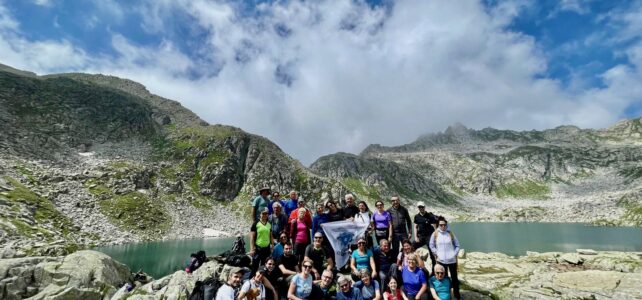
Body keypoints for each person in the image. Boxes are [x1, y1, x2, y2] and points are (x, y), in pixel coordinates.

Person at [429, 216, 460, 300]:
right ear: (438, 225)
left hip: (452, 260)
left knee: (454, 278)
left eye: (444, 225)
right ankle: (444, 296)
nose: (443, 226)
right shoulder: (435, 233)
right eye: (441, 225)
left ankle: (456, 296)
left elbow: (457, 245)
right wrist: (436, 253)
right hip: (441, 261)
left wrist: (454, 254)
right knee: (443, 278)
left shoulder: (450, 233)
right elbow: (431, 245)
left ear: (446, 225)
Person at [413, 202, 437, 272]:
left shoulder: (429, 215)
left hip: (429, 236)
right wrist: (416, 237)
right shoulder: (416, 216)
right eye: (419, 207)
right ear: (418, 208)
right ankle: (415, 263)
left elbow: (434, 225)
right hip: (421, 236)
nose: (421, 208)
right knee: (412, 246)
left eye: (422, 207)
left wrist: (435, 236)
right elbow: (415, 226)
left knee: (432, 251)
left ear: (424, 207)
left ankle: (434, 270)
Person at [250, 208, 274, 273]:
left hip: (267, 248)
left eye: (266, 214)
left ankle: (262, 279)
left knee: (264, 266)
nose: (265, 215)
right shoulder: (256, 223)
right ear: (260, 214)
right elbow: (252, 237)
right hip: (258, 248)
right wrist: (252, 249)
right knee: (255, 265)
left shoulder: (269, 224)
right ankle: (252, 279)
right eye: (263, 213)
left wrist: (272, 245)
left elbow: (271, 236)